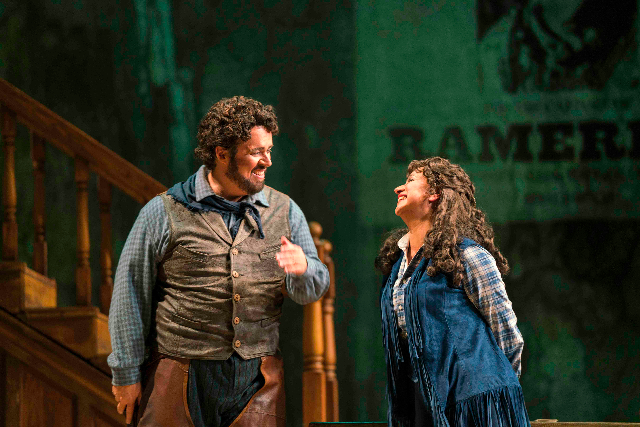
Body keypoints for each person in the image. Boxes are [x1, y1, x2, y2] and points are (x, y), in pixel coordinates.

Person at [107, 96, 330, 427]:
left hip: (258, 378)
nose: (267, 161)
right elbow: (129, 293)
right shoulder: (163, 211)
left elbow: (313, 288)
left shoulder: (285, 211)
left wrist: (305, 269)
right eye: (256, 152)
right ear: (221, 153)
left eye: (269, 150)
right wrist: (126, 373)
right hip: (180, 373)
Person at [375, 157, 530, 427]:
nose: (399, 188)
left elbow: (507, 333)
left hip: (477, 405)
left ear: (434, 193)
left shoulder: (467, 255)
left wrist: (494, 393)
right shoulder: (398, 266)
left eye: (410, 181)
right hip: (426, 405)